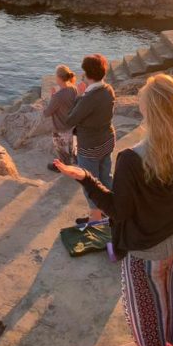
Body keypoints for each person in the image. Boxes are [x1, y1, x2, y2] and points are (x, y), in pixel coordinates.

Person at [55, 74, 173, 346]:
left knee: (148, 314)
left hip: (148, 251)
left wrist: (87, 179)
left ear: (147, 112)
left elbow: (119, 211)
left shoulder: (131, 159)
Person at [65, 54, 115, 224]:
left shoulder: (88, 98)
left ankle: (95, 218)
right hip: (107, 141)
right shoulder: (108, 89)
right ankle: (109, 210)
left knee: (90, 183)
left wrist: (79, 95)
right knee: (105, 176)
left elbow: (70, 119)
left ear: (87, 74)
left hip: (90, 146)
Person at [43, 65, 78, 172]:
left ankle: (62, 167)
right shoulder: (73, 88)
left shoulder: (58, 96)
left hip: (60, 128)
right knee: (72, 147)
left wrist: (52, 97)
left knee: (62, 151)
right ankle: (75, 162)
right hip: (71, 126)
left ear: (59, 78)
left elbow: (47, 113)